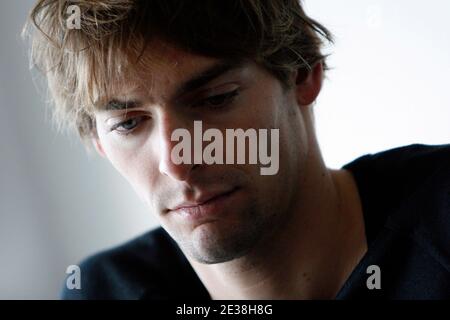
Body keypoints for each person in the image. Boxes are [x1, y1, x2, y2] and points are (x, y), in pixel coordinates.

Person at [24, 0, 449, 299]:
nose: (177, 162)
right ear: (98, 141)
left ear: (302, 73)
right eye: (129, 123)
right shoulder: (104, 290)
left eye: (214, 99)